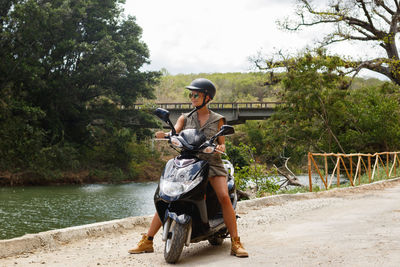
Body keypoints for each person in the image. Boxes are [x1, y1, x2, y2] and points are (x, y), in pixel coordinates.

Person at [128, 78, 249, 257]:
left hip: (212, 164)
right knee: (168, 197)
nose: (192, 97)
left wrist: (220, 147)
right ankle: (148, 240)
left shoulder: (218, 120)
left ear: (207, 97)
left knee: (224, 196)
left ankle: (236, 242)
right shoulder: (185, 117)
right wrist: (166, 135)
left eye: (196, 94)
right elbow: (175, 131)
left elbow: (222, 144)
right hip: (188, 163)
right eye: (190, 94)